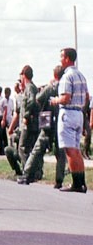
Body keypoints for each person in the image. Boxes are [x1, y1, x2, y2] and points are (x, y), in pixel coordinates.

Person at [50, 47, 88, 193]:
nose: (60, 59)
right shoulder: (81, 75)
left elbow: (65, 98)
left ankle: (76, 183)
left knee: (69, 150)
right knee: (76, 150)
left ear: (67, 59)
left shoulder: (67, 76)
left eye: (61, 57)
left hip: (68, 113)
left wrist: (55, 100)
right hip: (79, 113)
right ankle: (81, 181)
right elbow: (86, 97)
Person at [5, 66, 39, 177]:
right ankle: (29, 171)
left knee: (23, 148)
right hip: (27, 125)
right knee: (24, 148)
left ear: (24, 75)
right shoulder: (28, 88)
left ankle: (27, 172)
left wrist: (26, 116)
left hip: (28, 124)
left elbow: (31, 101)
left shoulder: (30, 87)